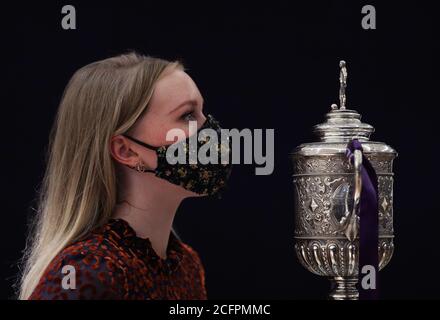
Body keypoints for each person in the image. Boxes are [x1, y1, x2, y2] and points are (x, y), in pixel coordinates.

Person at [18, 52, 232, 300]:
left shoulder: (185, 265)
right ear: (126, 150)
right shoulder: (89, 271)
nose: (209, 130)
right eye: (187, 115)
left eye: (202, 112)